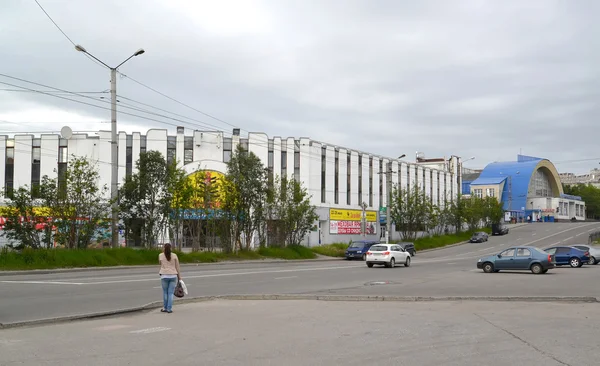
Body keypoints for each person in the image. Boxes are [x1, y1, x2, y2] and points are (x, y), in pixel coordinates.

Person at [158, 244, 181, 313]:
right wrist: (179, 277)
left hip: (164, 275)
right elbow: (177, 267)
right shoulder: (174, 255)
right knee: (170, 293)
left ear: (164, 248)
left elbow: (160, 264)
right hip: (173, 275)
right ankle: (169, 309)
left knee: (165, 292)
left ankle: (165, 308)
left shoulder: (160, 255)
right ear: (171, 248)